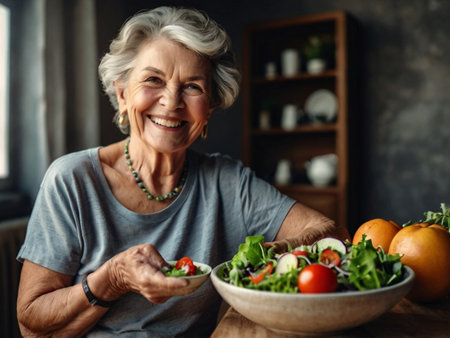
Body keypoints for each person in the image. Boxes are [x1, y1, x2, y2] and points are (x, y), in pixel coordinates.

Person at [16, 6, 348, 337]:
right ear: (122, 93)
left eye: (193, 86)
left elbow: (332, 233)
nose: (172, 101)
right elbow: (30, 322)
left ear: (211, 107)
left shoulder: (227, 183)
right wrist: (112, 278)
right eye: (152, 80)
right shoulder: (72, 180)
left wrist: (263, 256)